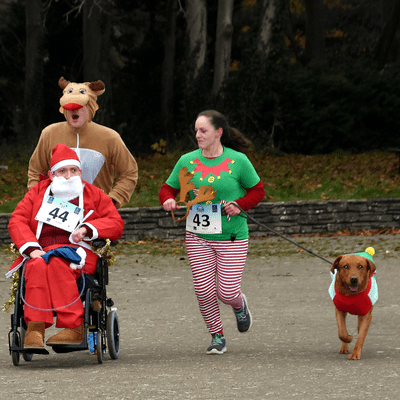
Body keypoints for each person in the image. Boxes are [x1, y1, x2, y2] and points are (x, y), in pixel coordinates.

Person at [159, 110, 265, 354]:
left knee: (226, 291)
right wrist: (167, 200)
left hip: (232, 236)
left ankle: (239, 305)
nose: (197, 135)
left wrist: (240, 205)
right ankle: (217, 335)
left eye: (203, 130)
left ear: (218, 132)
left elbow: (257, 191)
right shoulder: (187, 161)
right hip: (198, 236)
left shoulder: (238, 161)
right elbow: (168, 188)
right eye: (196, 130)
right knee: (204, 290)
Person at [8, 143, 124, 349]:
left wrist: (88, 229)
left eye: (74, 170)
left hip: (78, 253)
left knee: (57, 262)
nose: (69, 176)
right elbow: (17, 219)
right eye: (62, 171)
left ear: (80, 171)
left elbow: (115, 223)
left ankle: (74, 326)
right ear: (51, 175)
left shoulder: (93, 194)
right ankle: (35, 328)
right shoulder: (37, 192)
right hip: (41, 251)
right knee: (35, 265)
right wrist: (31, 248)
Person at [27, 77, 138, 209]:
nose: (74, 111)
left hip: (97, 213)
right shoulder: (49, 133)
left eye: (80, 106)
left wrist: (113, 200)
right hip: (56, 214)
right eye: (69, 106)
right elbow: (35, 171)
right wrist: (39, 199)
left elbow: (129, 172)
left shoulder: (110, 137)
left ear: (90, 107)